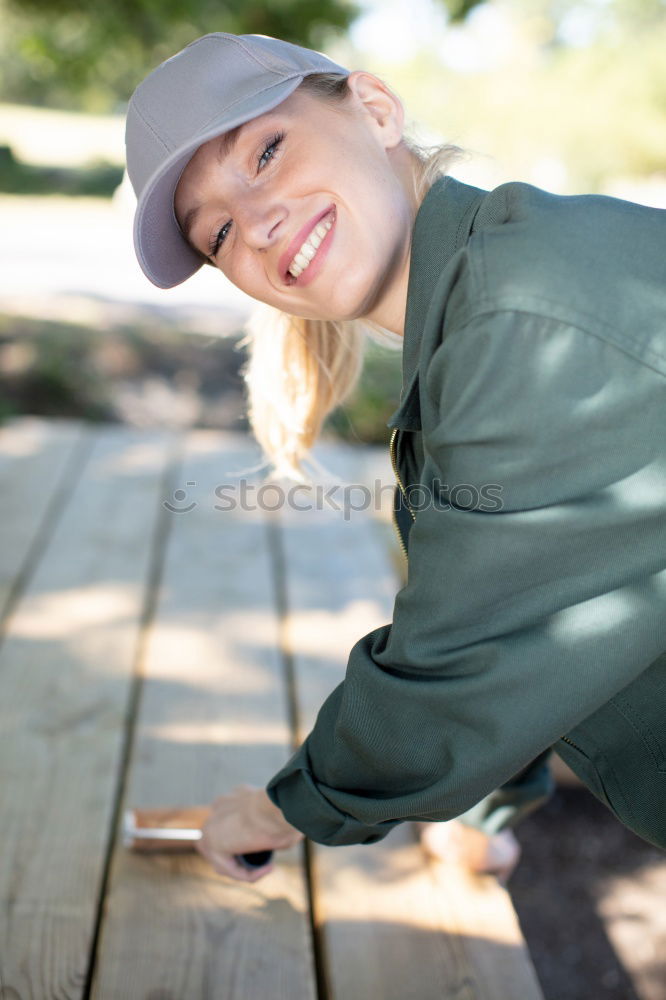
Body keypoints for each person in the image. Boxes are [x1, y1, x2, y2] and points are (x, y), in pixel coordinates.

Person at [125, 32, 666, 885]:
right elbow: (528, 595)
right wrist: (484, 807)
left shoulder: (519, 319)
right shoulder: (482, 299)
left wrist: (279, 809)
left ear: (375, 108)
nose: (258, 223)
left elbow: (461, 656)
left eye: (266, 151)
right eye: (219, 232)